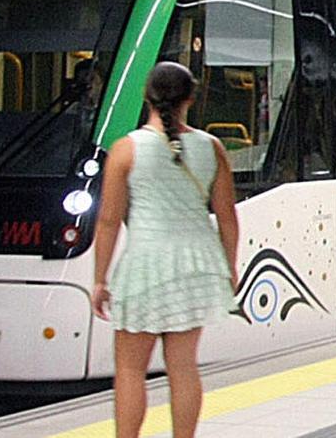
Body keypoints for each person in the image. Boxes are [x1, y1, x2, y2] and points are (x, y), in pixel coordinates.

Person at [90, 62, 239, 438]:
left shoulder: (125, 150)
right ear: (191, 98)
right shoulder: (212, 148)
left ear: (147, 97)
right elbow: (227, 219)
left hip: (145, 267)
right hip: (195, 266)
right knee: (184, 367)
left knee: (129, 370)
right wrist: (229, 268)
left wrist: (99, 280)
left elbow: (108, 221)